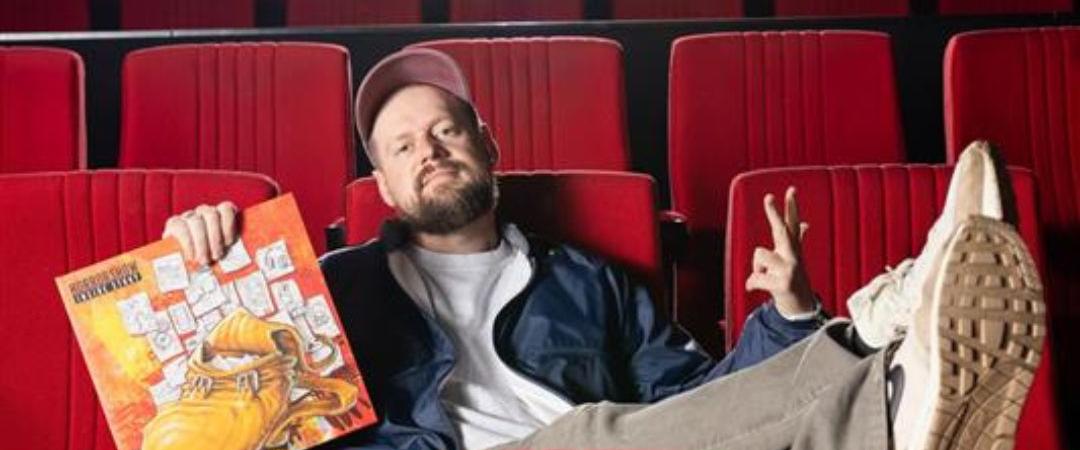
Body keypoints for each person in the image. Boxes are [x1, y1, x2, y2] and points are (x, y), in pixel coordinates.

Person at [163, 48, 1046, 450]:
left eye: (446, 129)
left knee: (612, 432)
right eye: (402, 148)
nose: (428, 150)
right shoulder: (333, 286)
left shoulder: (588, 282)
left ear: (490, 147)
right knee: (589, 431)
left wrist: (790, 317)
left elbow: (700, 409)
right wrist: (190, 256)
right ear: (384, 190)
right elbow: (205, 381)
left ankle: (877, 358)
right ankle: (881, 358)